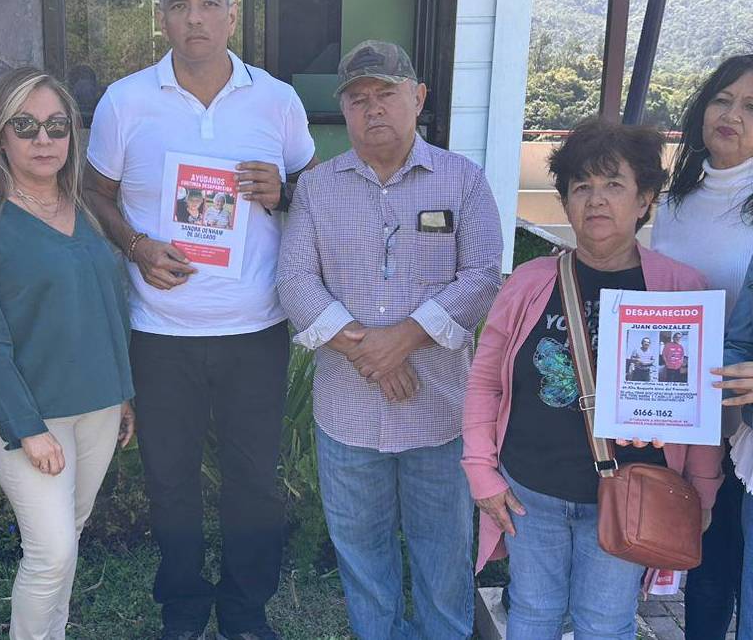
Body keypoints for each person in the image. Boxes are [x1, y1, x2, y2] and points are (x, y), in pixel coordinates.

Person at [83, 0, 318, 637]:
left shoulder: (276, 101)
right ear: (161, 17)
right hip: (159, 330)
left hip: (255, 327)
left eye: (209, 3)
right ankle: (184, 607)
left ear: (232, 15)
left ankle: (245, 610)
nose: (195, 18)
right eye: (179, 5)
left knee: (254, 480)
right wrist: (135, 246)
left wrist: (284, 191)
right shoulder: (125, 102)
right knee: (170, 480)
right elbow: (95, 192)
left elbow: (312, 190)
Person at [463, 118, 724, 638]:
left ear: (644, 199)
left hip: (631, 496)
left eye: (613, 184)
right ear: (565, 203)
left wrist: (702, 491)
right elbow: (485, 381)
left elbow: (703, 404)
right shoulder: (529, 283)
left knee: (604, 623)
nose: (596, 199)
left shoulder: (682, 289)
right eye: (581, 186)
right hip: (529, 491)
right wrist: (480, 471)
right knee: (532, 613)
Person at [277, 39, 502, 639]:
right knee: (362, 556)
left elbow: (482, 275)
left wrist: (402, 339)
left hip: (438, 414)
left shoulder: (462, 181)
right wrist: (370, 353)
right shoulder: (319, 189)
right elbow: (294, 280)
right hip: (347, 416)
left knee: (443, 554)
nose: (372, 107)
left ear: (418, 97)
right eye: (357, 98)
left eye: (386, 93)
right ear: (344, 110)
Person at [0, 67, 135, 640]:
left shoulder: (84, 208)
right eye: (25, 126)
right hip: (30, 414)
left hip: (99, 405)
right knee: (51, 551)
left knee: (69, 535)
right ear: (0, 135)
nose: (43, 139)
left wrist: (124, 394)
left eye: (56, 125)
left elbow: (107, 307)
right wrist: (27, 427)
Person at [655, 53, 753, 639]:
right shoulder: (673, 201)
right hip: (681, 411)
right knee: (704, 565)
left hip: (742, 420)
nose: (732, 115)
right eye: (722, 99)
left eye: (751, 107)